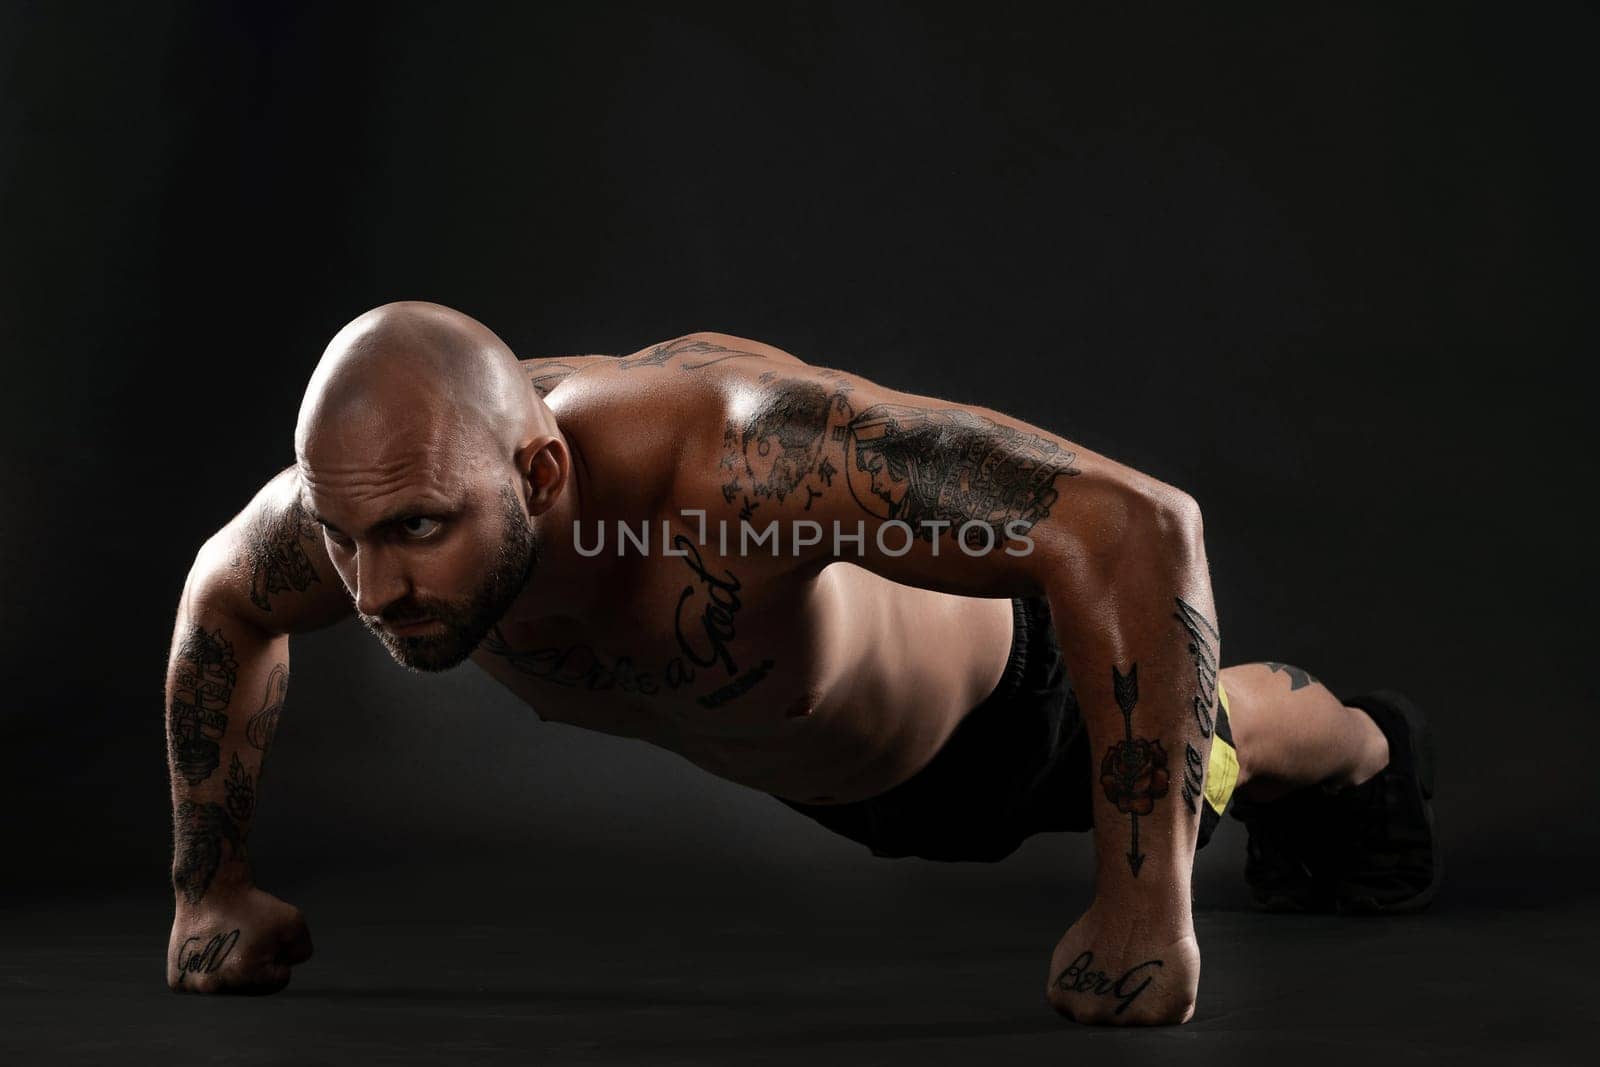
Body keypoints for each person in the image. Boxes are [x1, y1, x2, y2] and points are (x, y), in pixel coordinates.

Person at [163, 301, 1438, 1024]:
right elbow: (223, 597)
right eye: (345, 540)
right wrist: (209, 890)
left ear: (540, 474)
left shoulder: (735, 465)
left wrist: (1143, 909)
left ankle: (1372, 752)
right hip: (809, 762)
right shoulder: (388, 484)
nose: (376, 590)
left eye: (419, 534)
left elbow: (1137, 526)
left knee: (1232, 740)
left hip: (1007, 721)